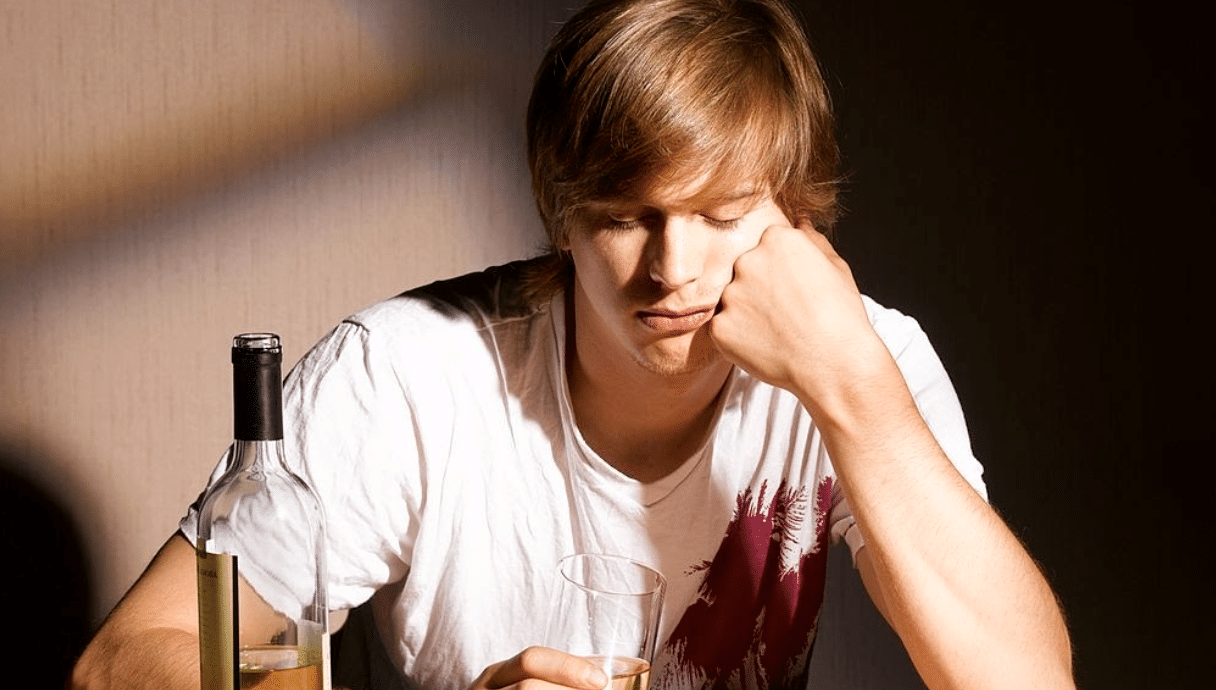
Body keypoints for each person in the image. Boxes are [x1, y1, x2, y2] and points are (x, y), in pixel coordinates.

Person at [69, 1, 1075, 689]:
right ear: (559, 215)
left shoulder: (864, 365)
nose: (672, 267)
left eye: (723, 212)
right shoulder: (406, 375)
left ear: (799, 217)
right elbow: (122, 659)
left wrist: (852, 384)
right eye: (624, 216)